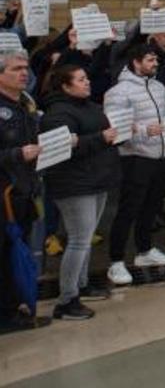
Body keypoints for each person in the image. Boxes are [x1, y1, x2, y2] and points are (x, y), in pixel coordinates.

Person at [40, 65, 121, 320]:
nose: (87, 82)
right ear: (65, 86)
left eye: (87, 77)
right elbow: (62, 148)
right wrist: (100, 138)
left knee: (85, 238)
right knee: (77, 240)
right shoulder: (57, 113)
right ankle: (66, 300)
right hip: (74, 183)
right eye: (81, 79)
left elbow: (98, 134)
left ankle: (82, 284)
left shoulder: (90, 106)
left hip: (96, 178)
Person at [104, 43, 165, 286]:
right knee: (129, 209)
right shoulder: (119, 92)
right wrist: (146, 131)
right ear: (136, 62)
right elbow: (116, 130)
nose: (155, 63)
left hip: (161, 155)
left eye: (155, 60)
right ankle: (116, 261)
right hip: (136, 157)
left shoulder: (159, 87)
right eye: (149, 60)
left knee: (152, 207)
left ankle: (144, 251)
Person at [0, 47, 42, 333]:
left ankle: (15, 306)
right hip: (4, 193)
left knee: (18, 253)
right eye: (16, 69)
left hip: (25, 191)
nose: (23, 73)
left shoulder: (26, 102)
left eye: (25, 67)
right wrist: (17, 154)